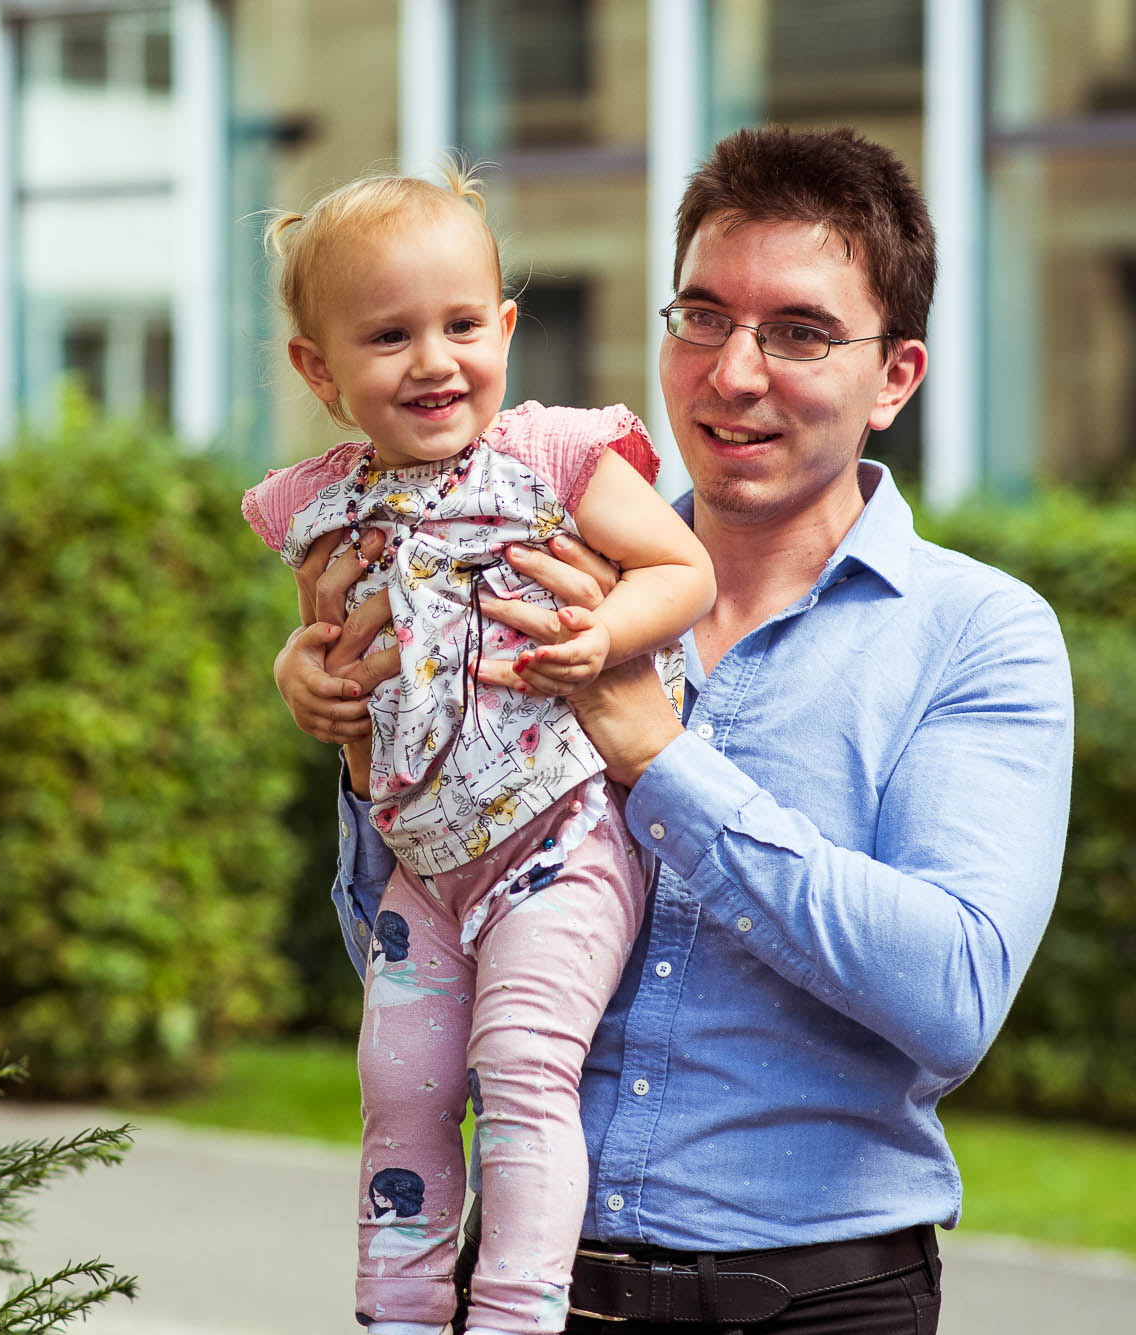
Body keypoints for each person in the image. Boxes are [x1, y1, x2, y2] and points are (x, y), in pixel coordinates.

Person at [277, 127, 1074, 1335]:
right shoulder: (526, 552)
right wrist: (357, 738)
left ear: (895, 376)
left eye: (797, 333)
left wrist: (658, 757)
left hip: (814, 1301)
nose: (732, 372)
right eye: (699, 317)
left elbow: (952, 993)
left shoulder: (976, 636)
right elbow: (419, 951)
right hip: (520, 1291)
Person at [242, 167, 716, 1335]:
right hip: (420, 863)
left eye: (461, 324)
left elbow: (682, 572)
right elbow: (318, 639)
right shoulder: (320, 503)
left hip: (557, 841)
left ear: (505, 328)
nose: (433, 361)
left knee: (518, 1072)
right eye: (387, 336)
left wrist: (602, 634)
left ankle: (512, 1316)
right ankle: (398, 1317)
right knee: (396, 1094)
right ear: (319, 370)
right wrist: (293, 675)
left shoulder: (552, 459)